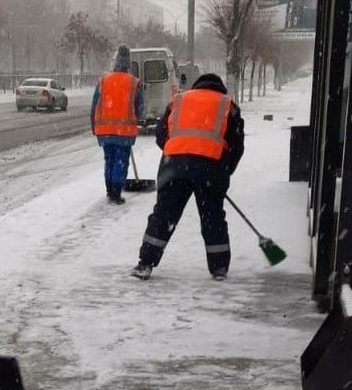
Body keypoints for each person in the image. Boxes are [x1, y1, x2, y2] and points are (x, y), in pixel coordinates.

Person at [131, 73, 244, 281]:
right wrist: (224, 171)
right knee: (212, 217)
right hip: (211, 168)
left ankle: (145, 263)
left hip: (174, 166)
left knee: (164, 215)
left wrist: (177, 153)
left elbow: (161, 135)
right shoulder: (228, 105)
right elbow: (236, 146)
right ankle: (218, 268)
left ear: (197, 86)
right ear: (220, 89)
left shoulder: (179, 100)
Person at [91, 44, 145, 204]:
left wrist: (94, 127)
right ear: (128, 63)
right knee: (121, 161)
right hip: (124, 131)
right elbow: (140, 107)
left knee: (109, 160)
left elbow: (94, 105)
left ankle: (109, 189)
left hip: (104, 130)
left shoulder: (103, 81)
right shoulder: (134, 82)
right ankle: (115, 192)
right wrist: (139, 119)